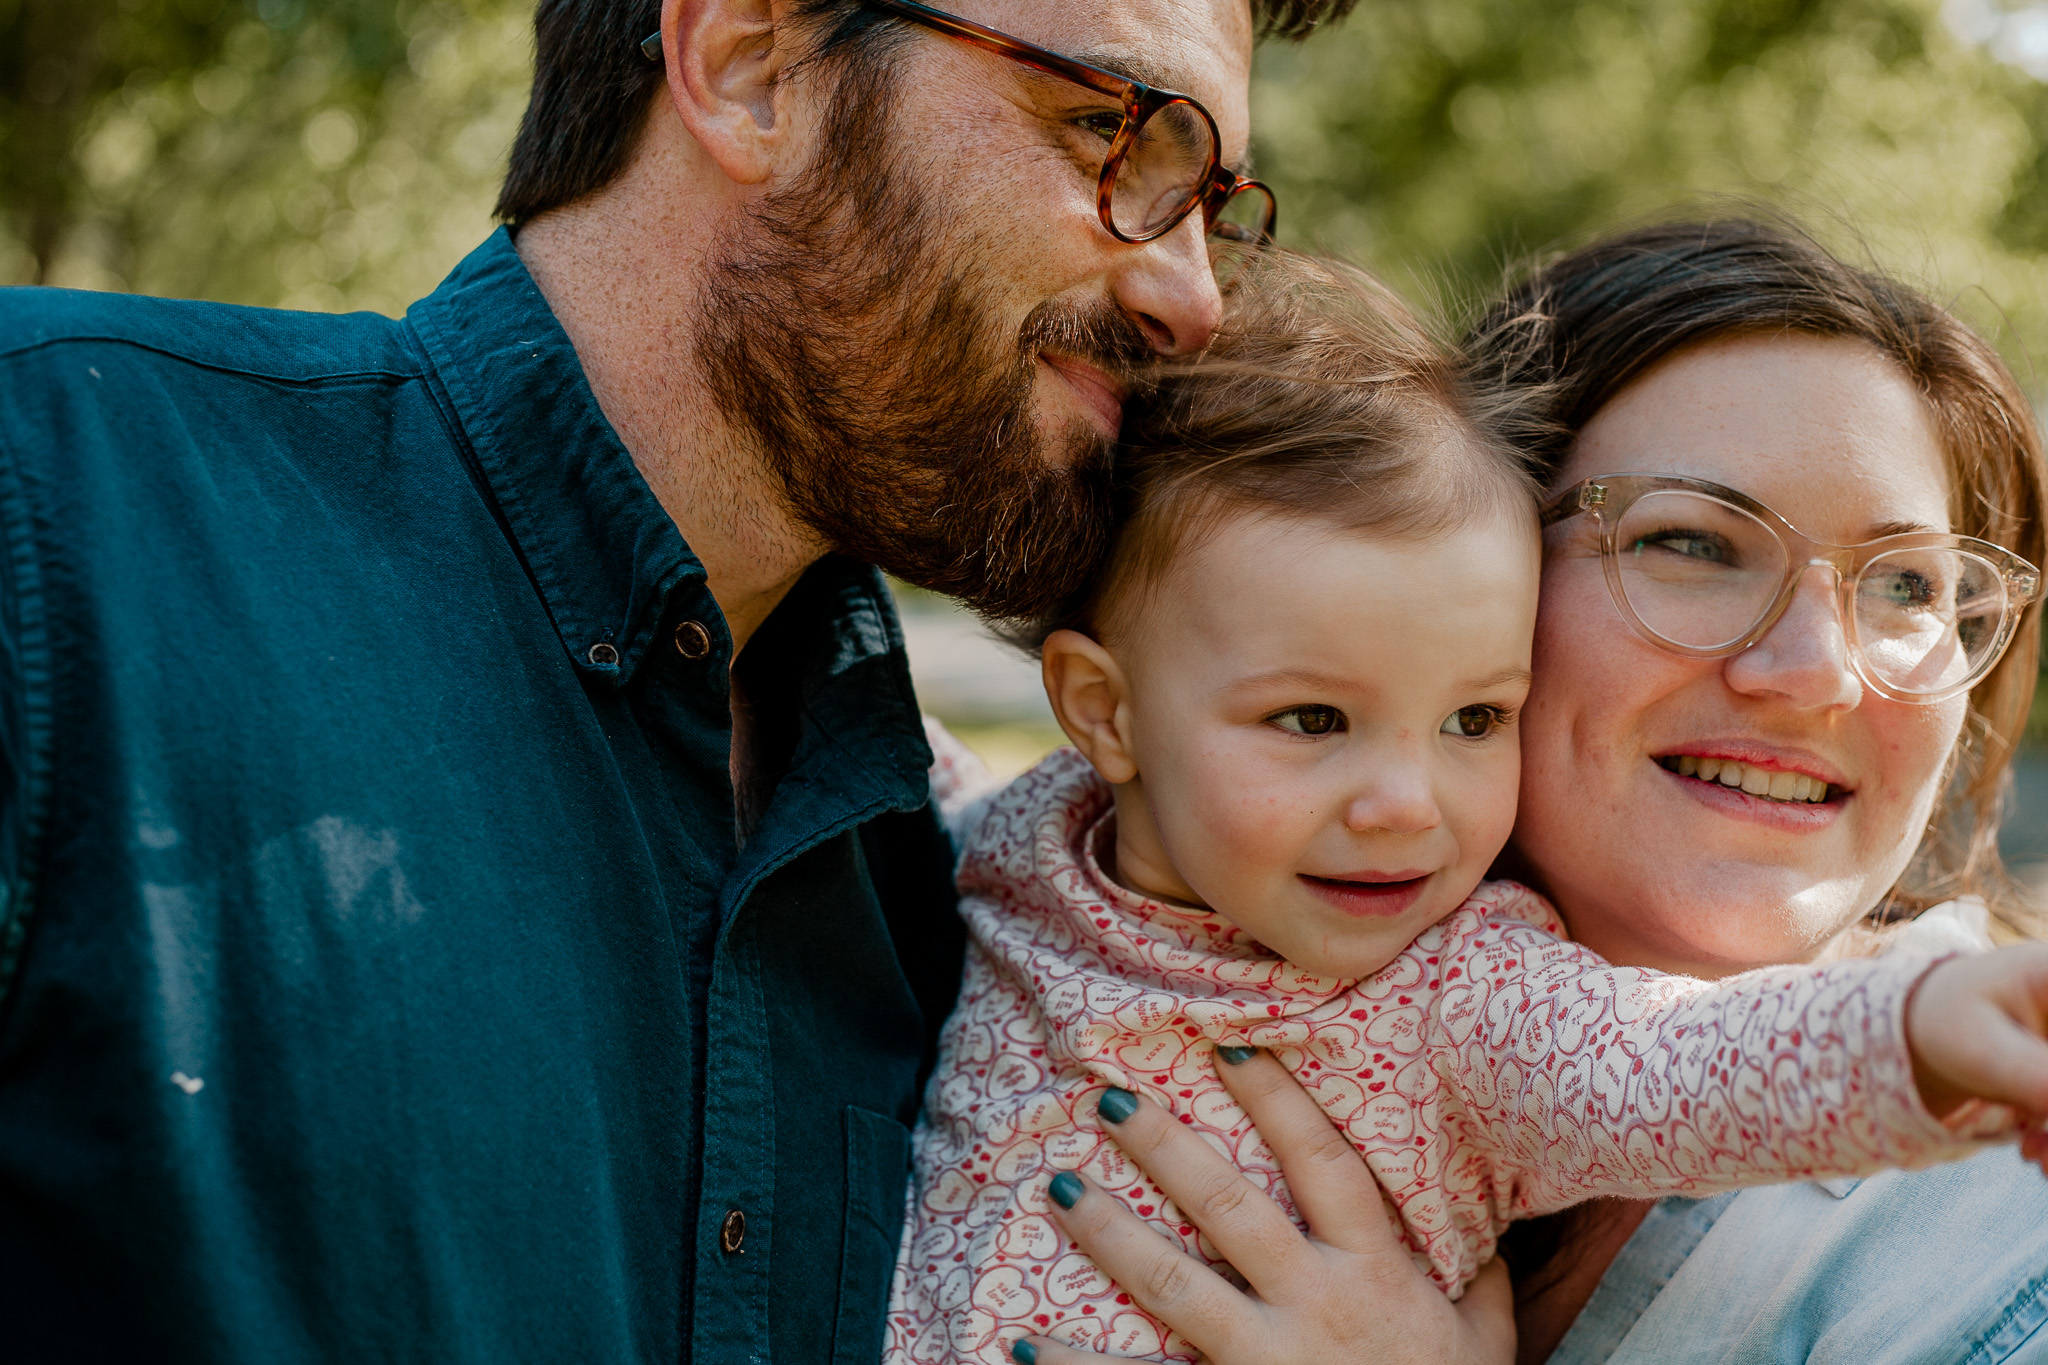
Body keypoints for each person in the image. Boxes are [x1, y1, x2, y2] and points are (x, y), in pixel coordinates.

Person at [0, 0, 1353, 1357]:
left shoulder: (959, 908)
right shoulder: (54, 504)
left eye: (1214, 204)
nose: (1194, 299)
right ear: (749, 65)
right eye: (1112, 132)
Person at [896, 250, 2048, 1365]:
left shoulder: (1471, 997)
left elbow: (1665, 1066)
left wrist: (1923, 1030)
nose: (1813, 670)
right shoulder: (1026, 841)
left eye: (1909, 582)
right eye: (1690, 541)